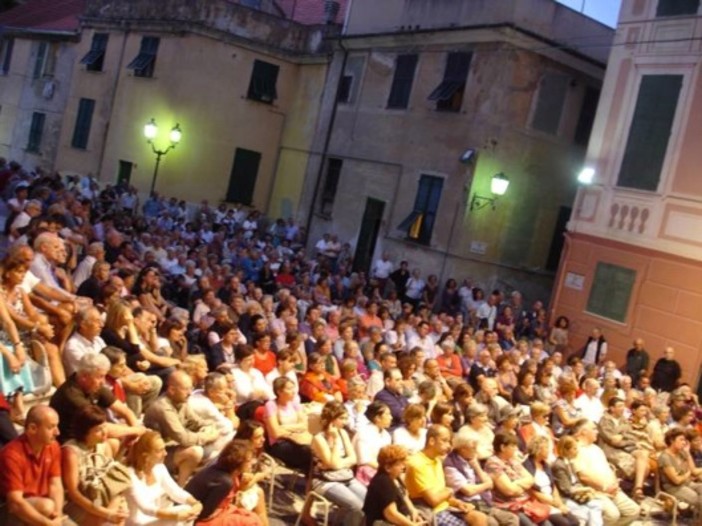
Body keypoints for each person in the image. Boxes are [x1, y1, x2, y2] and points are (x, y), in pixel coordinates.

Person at [143, 370, 221, 485]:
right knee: (195, 451)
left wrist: (210, 428)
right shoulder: (163, 408)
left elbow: (198, 422)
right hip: (156, 455)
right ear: (172, 390)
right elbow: (183, 438)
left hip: (171, 448)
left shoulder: (181, 402)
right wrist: (207, 436)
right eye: (186, 389)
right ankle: (181, 485)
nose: (190, 393)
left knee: (212, 450)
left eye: (191, 388)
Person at [50, 353, 144, 444]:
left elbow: (125, 411)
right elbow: (103, 428)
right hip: (70, 441)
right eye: (100, 377)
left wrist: (135, 429)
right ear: (84, 377)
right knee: (113, 441)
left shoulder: (93, 385)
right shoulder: (71, 396)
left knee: (127, 433)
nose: (103, 382)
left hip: (89, 434)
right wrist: (135, 430)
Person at [0, 405, 71, 526]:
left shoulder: (53, 446)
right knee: (46, 506)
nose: (57, 432)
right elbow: (15, 504)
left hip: (46, 510)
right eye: (51, 427)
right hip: (13, 514)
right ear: (33, 428)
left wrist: (57, 515)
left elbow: (55, 485)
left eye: (57, 426)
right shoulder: (11, 455)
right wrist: (48, 523)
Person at [406, 424, 488, 525]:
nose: (449, 446)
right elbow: (433, 500)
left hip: (446, 507)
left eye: (449, 442)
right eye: (444, 441)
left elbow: (442, 494)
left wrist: (458, 503)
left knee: (479, 518)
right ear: (431, 441)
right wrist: (450, 490)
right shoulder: (417, 463)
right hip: (432, 511)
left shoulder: (437, 460)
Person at [62, 405, 130, 524]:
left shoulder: (103, 445)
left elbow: (109, 478)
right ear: (85, 432)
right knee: (105, 518)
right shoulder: (71, 453)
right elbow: (74, 493)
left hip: (99, 497)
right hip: (80, 503)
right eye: (98, 430)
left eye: (104, 427)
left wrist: (113, 507)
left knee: (120, 510)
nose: (104, 432)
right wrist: (106, 513)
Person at [569, 419, 640, 523]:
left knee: (633, 510)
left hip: (612, 489)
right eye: (593, 429)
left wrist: (615, 484)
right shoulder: (576, 449)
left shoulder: (596, 448)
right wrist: (604, 487)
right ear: (584, 432)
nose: (597, 431)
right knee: (612, 515)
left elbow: (608, 468)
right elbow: (583, 476)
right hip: (594, 492)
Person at [125, 431, 203, 525]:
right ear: (146, 456)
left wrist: (195, 503)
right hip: (138, 523)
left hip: (153, 519)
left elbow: (175, 492)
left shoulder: (159, 468)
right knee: (178, 518)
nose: (165, 453)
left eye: (164, 449)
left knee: (187, 510)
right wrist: (176, 516)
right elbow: (145, 508)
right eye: (160, 451)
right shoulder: (130, 475)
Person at [309, 401, 367, 526]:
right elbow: (333, 464)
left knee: (370, 501)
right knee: (356, 506)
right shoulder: (319, 438)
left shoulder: (343, 433)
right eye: (341, 418)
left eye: (346, 418)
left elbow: (353, 458)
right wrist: (335, 440)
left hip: (345, 476)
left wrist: (337, 463)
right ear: (331, 419)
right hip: (325, 481)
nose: (345, 422)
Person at [444, 434, 519, 526]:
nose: (476, 451)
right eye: (473, 448)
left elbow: (490, 484)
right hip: (467, 504)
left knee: (512, 518)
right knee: (492, 523)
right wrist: (486, 485)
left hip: (483, 502)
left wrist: (476, 466)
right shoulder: (450, 465)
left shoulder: (471, 460)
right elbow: (469, 491)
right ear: (463, 449)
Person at [185, 439, 265, 526]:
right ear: (238, 462)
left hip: (219, 512)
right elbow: (205, 513)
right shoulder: (224, 481)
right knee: (250, 522)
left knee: (252, 516)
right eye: (249, 461)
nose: (252, 463)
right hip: (200, 520)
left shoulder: (227, 472)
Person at [597, 397, 650, 501]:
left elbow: (631, 437)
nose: (623, 409)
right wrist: (622, 434)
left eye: (623, 406)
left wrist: (620, 437)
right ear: (612, 408)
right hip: (610, 449)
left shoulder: (623, 419)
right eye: (620, 406)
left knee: (643, 454)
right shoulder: (604, 420)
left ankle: (638, 489)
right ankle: (635, 492)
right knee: (645, 467)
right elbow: (611, 440)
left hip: (625, 446)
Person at [523, 436, 580, 526]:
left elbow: (553, 486)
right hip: (539, 503)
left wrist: (560, 504)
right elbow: (531, 490)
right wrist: (552, 502)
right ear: (538, 449)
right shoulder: (527, 466)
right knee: (565, 523)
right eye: (546, 448)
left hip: (552, 501)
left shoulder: (545, 465)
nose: (549, 451)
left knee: (575, 522)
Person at [363, 444, 425, 526]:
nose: (403, 467)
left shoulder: (395, 477)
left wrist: (413, 511)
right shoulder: (383, 482)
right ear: (388, 467)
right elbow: (390, 514)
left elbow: (404, 497)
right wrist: (411, 525)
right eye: (400, 464)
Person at [551, 436, 604, 526]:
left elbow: (576, 482)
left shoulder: (569, 462)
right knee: (584, 512)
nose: (577, 451)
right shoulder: (559, 466)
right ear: (566, 450)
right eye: (574, 448)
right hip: (565, 497)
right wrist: (585, 489)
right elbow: (566, 489)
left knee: (596, 504)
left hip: (576, 493)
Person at [263, 376, 313, 471]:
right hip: (280, 444)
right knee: (307, 452)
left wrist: (283, 427)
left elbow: (304, 425)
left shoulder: (294, 402)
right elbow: (275, 433)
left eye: (293, 388)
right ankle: (310, 479)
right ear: (279, 391)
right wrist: (293, 432)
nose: (293, 391)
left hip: (297, 438)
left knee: (316, 448)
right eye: (289, 389)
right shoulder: (271, 405)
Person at [658, 427, 702, 517]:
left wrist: (687, 453)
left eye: (685, 440)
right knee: (699, 500)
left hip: (688, 483)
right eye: (681, 439)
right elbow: (676, 480)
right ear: (671, 440)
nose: (684, 442)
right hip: (674, 488)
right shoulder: (665, 457)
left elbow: (692, 469)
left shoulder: (682, 453)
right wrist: (688, 473)